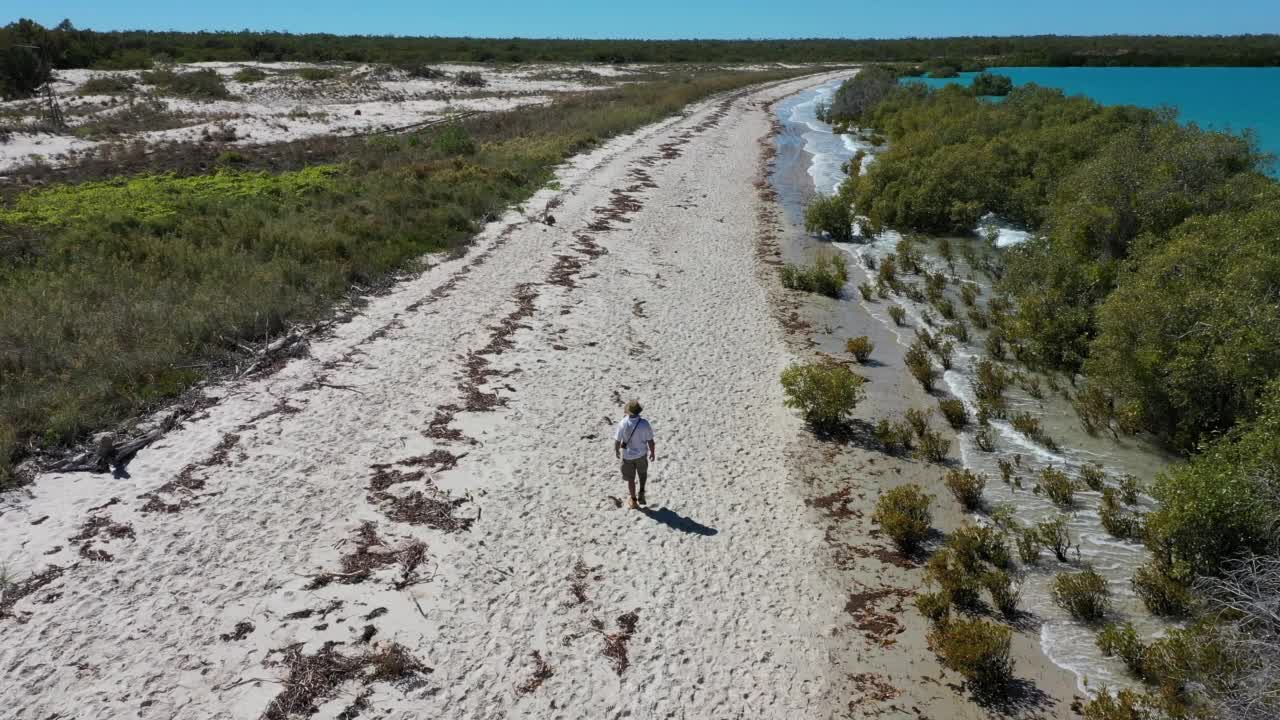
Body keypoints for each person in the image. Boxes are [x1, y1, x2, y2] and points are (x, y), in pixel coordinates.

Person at [614, 399, 655, 510]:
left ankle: (633, 500)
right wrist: (652, 452)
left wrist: (617, 450)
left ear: (628, 412)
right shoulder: (644, 424)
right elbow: (650, 440)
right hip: (641, 454)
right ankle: (641, 491)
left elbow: (617, 440)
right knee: (642, 474)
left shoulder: (622, 423)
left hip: (628, 456)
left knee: (630, 479)